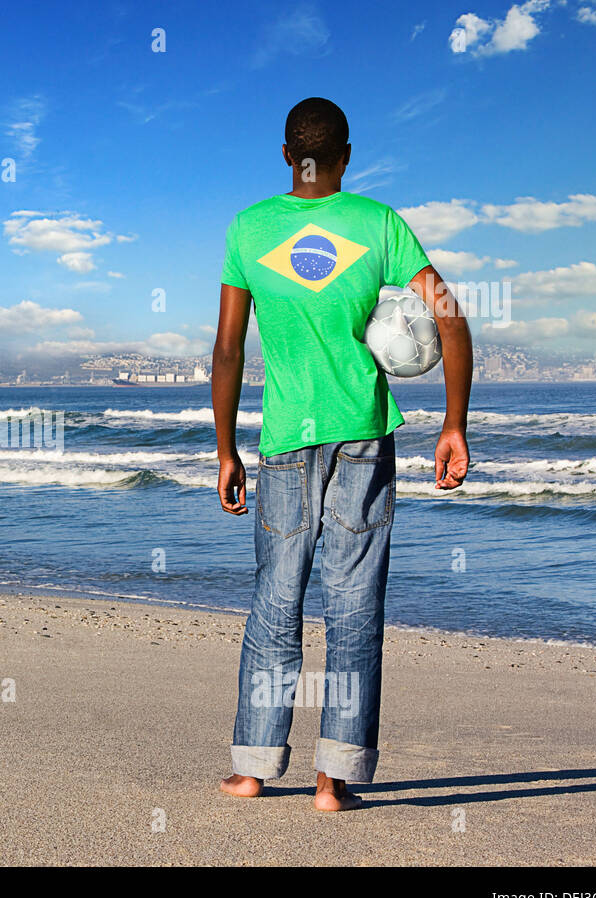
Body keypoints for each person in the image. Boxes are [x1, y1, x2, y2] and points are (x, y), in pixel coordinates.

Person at [211, 97, 473, 811]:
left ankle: (253, 768)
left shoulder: (248, 229)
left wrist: (226, 448)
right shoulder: (378, 223)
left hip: (283, 440)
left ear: (286, 155)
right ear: (348, 156)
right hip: (362, 432)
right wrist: (453, 424)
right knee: (354, 603)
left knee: (276, 598)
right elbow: (450, 320)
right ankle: (334, 780)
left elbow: (229, 348)